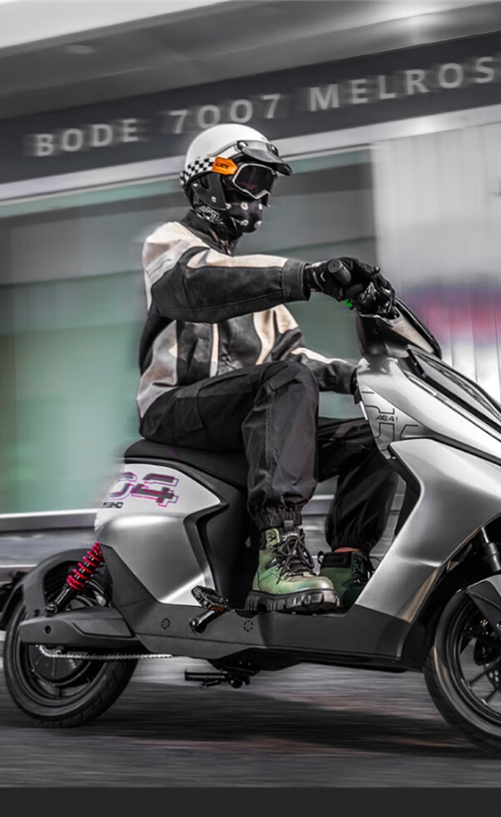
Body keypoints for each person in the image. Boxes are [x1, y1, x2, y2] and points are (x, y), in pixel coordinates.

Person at [137, 123, 398, 614]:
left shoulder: (255, 284)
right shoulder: (170, 243)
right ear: (209, 179)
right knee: (286, 382)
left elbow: (294, 358)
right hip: (174, 408)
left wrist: (360, 377)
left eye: (267, 185)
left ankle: (346, 564)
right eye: (251, 179)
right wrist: (308, 275)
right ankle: (280, 551)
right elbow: (192, 285)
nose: (260, 196)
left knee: (378, 437)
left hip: (240, 417)